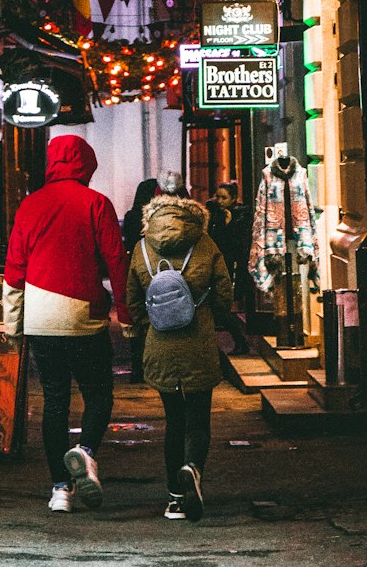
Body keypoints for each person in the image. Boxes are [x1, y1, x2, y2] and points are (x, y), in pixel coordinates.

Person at [2, 135, 131, 515]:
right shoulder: (96, 204)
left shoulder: (30, 205)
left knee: (54, 401)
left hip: (40, 318)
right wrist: (125, 314)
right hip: (83, 315)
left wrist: (12, 325)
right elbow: (116, 261)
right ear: (87, 165)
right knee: (98, 393)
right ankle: (86, 451)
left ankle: (60, 489)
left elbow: (14, 269)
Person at [126, 193, 234, 523]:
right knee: (198, 417)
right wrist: (212, 317)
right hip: (198, 342)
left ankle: (174, 498)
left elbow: (133, 299)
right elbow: (224, 291)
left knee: (174, 422)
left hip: (160, 346)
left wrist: (152, 324)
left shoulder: (143, 247)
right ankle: (193, 468)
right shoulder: (204, 243)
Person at [122, 170, 189, 382]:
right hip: (180, 271)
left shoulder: (138, 218)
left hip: (147, 267)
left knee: (144, 315)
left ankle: (139, 366)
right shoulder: (189, 219)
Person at [206, 182, 250, 355]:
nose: (220, 201)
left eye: (224, 197)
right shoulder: (214, 215)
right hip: (217, 265)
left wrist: (229, 222)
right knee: (219, 306)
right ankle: (240, 341)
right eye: (218, 196)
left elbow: (238, 243)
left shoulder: (241, 216)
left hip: (233, 266)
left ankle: (241, 341)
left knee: (223, 306)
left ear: (233, 199)